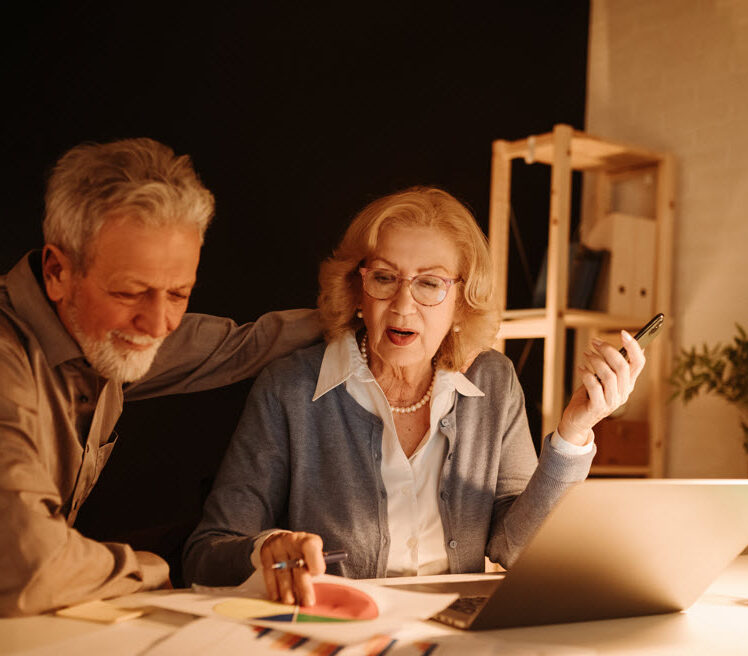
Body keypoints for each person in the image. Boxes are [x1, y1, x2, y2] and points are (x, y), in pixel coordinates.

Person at [183, 187, 645, 606]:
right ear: (357, 288)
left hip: (460, 635)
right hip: (341, 634)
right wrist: (266, 550)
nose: (403, 305)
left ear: (462, 302)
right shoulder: (291, 387)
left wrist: (574, 433)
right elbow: (207, 553)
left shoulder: (494, 382)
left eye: (429, 283)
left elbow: (518, 547)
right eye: (385, 278)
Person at [0, 137, 321, 616]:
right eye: (131, 293)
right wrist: (154, 571)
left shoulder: (95, 334)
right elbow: (30, 566)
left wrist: (365, 313)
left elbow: (241, 345)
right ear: (56, 271)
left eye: (178, 293)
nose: (158, 325)